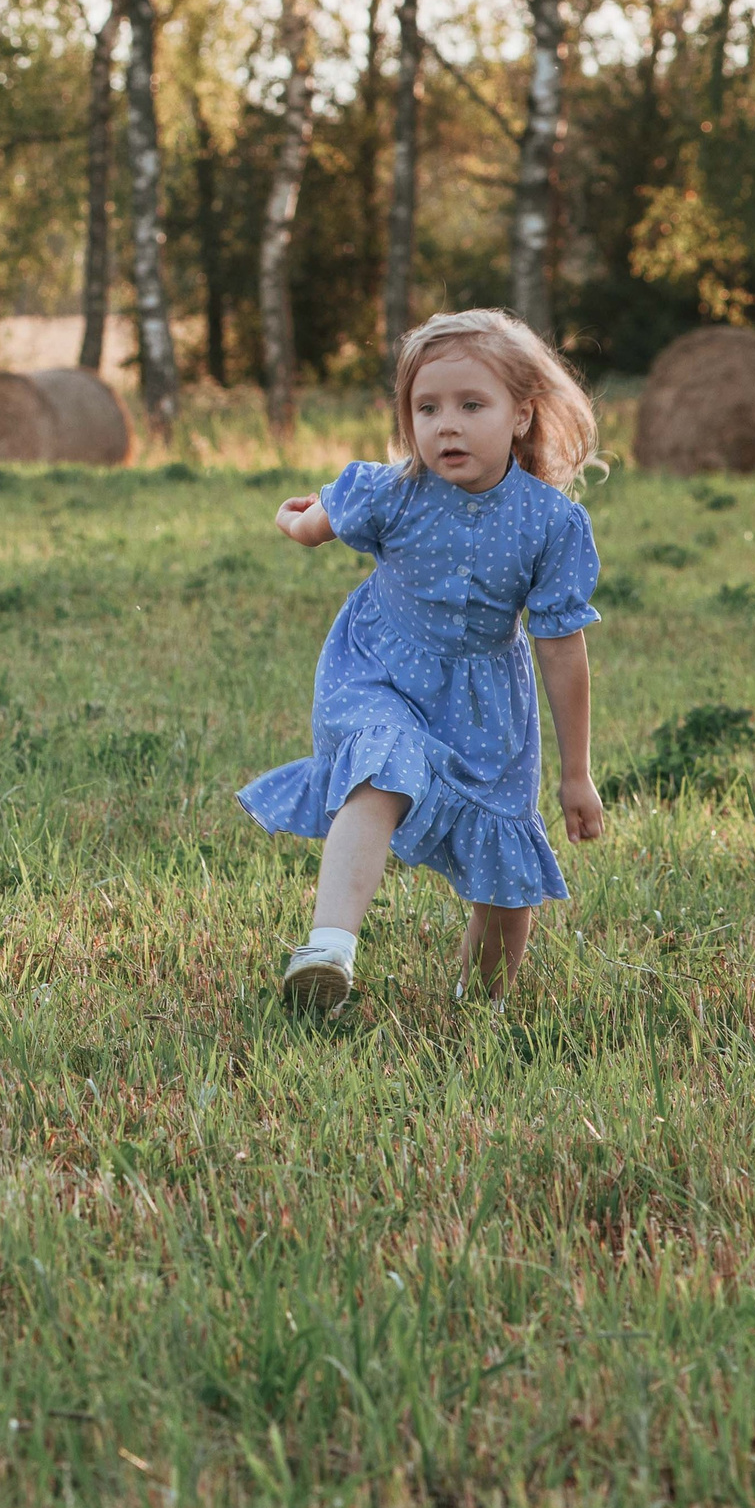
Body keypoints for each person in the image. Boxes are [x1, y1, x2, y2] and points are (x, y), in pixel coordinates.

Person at [239, 308, 606, 1010]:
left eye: (473, 405)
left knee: (506, 877)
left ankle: (479, 1009)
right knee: (381, 765)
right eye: (427, 407)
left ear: (522, 414)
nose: (447, 424)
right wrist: (292, 519)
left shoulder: (552, 523)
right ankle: (329, 952)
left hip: (486, 704)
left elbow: (561, 648)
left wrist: (576, 773)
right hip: (379, 672)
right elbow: (313, 525)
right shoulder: (392, 489)